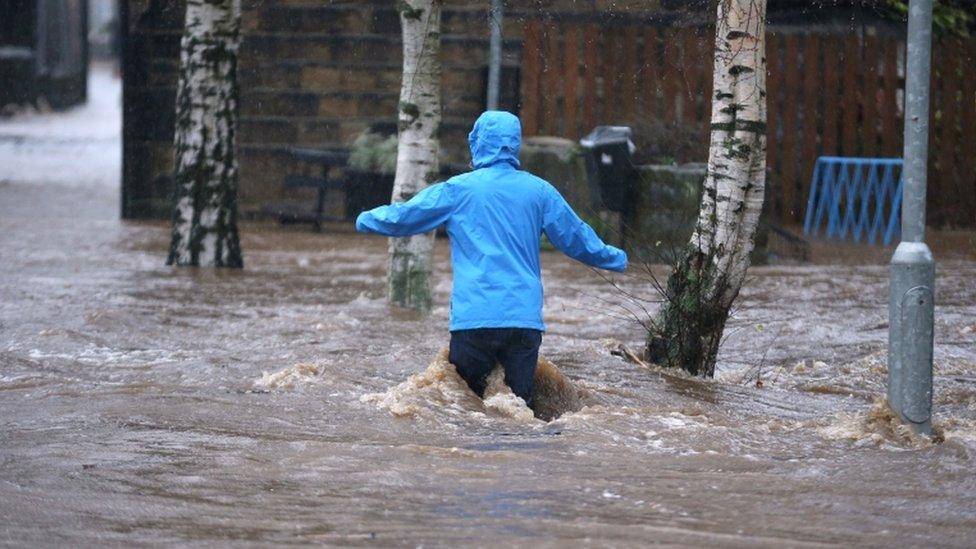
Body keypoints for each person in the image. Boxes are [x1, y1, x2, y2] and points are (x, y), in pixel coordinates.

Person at [356, 111, 627, 407]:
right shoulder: (539, 191)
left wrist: (366, 219)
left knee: (466, 410)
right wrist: (616, 258)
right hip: (523, 322)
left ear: (477, 143)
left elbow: (405, 218)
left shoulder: (458, 190)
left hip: (474, 320)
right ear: (515, 145)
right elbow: (577, 239)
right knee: (517, 410)